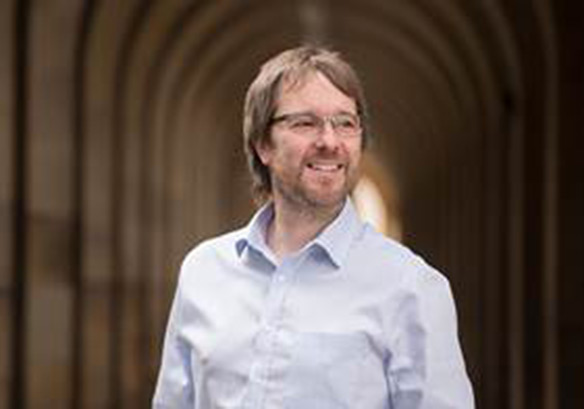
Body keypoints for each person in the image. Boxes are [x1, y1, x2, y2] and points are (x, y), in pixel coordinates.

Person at [152, 45, 475, 409]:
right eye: (305, 122)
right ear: (262, 145)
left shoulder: (411, 287)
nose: (329, 141)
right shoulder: (203, 271)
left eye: (345, 123)